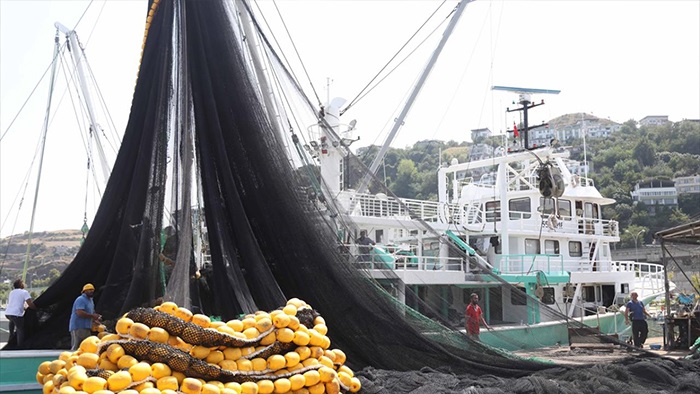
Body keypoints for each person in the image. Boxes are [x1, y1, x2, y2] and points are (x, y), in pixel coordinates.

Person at [69, 283, 101, 350]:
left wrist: (95, 320)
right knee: (76, 346)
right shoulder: (80, 299)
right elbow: (79, 312)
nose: (91, 291)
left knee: (87, 346)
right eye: (89, 290)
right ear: (84, 291)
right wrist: (93, 316)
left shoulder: (91, 301)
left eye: (92, 290)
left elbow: (91, 313)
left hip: (87, 327)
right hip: (78, 327)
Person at [6, 278, 36, 346]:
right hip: (16, 314)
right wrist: (36, 308)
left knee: (12, 330)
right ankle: (20, 346)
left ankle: (10, 344)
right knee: (20, 330)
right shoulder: (24, 292)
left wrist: (23, 308)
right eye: (23, 283)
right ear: (20, 284)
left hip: (8, 313)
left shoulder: (12, 292)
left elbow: (15, 303)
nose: (24, 284)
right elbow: (30, 304)